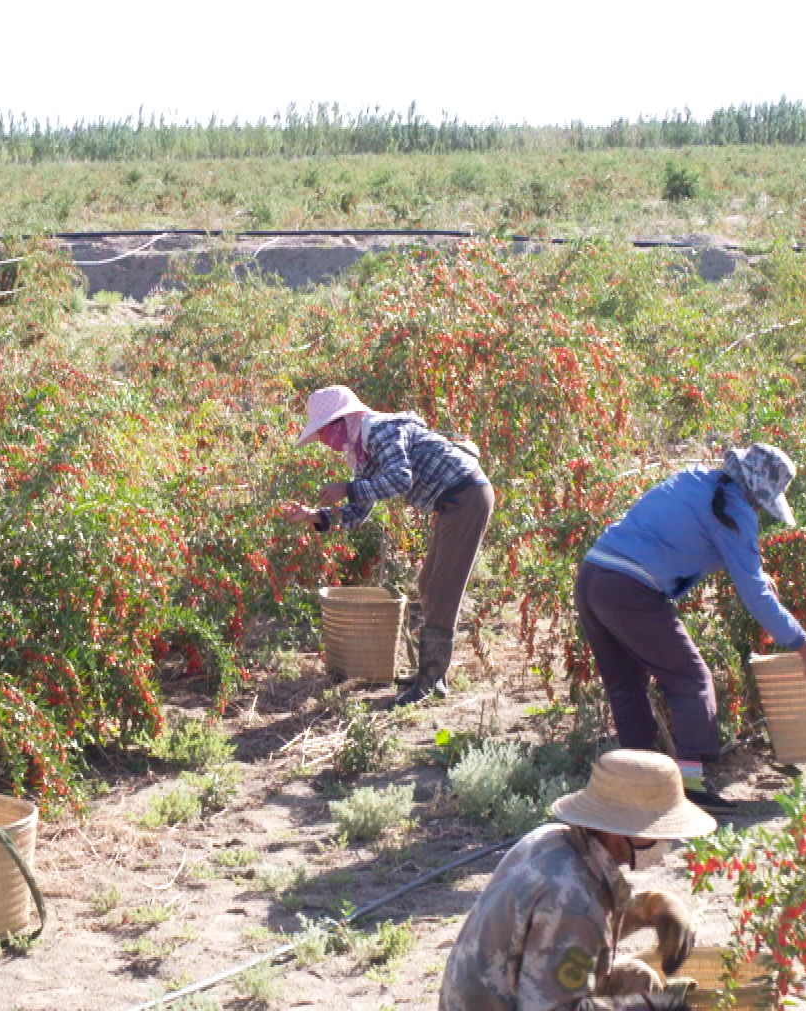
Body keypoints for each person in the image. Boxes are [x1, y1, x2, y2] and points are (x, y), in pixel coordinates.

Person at [575, 444, 806, 808]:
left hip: (592, 576)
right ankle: (692, 788)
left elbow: (682, 539)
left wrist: (754, 576)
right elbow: (754, 593)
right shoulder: (736, 511)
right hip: (629, 589)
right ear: (758, 494)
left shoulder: (693, 479)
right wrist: (802, 643)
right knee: (691, 679)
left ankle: (637, 785)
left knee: (626, 686)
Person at [439, 749, 715, 1010]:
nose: (665, 842)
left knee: (637, 979)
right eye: (657, 831)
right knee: (644, 997)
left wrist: (650, 908)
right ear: (621, 831)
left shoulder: (552, 839)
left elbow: (570, 925)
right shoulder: (574, 902)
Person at [279, 385, 493, 705]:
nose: (324, 441)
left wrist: (348, 488)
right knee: (429, 584)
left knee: (443, 588)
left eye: (324, 432)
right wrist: (314, 517)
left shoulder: (379, 432)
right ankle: (431, 675)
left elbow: (399, 480)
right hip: (453, 502)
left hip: (467, 498)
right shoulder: (363, 450)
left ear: (341, 422)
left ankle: (430, 682)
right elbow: (358, 513)